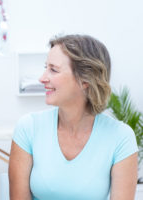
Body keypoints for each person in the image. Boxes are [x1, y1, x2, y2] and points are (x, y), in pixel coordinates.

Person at [9, 34, 138, 200]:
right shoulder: (28, 127)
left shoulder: (120, 137)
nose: (42, 78)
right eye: (45, 67)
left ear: (85, 80)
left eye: (53, 70)